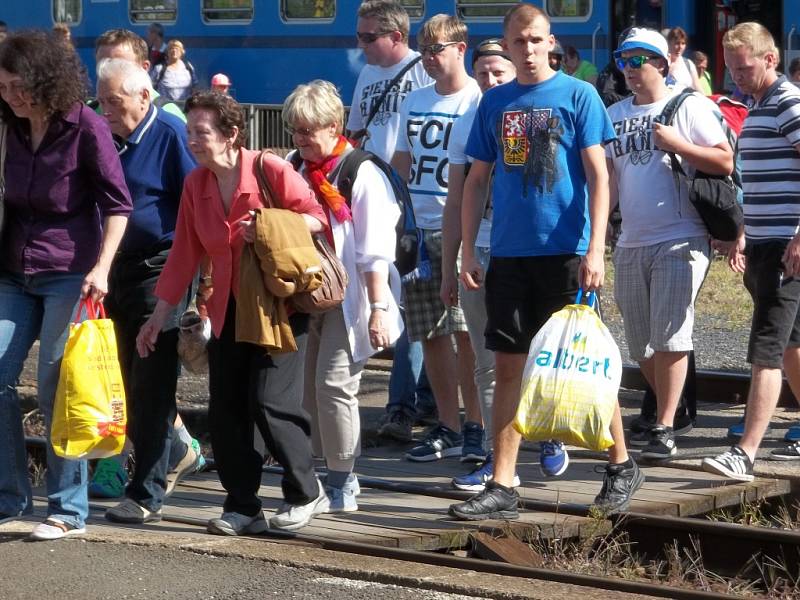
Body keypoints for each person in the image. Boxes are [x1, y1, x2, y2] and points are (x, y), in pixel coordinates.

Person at [448, 4, 643, 520]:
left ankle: (620, 463)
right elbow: (475, 181)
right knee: (508, 367)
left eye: (536, 40)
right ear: (506, 46)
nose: (528, 50)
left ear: (550, 41)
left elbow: (601, 177)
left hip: (566, 253)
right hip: (510, 254)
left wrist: (596, 247)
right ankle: (503, 482)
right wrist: (470, 248)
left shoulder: (579, 95)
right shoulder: (494, 104)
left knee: (582, 364)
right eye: (518, 42)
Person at [136, 91, 330, 533]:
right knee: (225, 412)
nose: (192, 141)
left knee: (270, 402)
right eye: (189, 133)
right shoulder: (197, 185)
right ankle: (243, 507)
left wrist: (269, 224)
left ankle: (306, 491)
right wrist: (157, 317)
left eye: (201, 133)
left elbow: (320, 217)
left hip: (279, 307)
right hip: (226, 310)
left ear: (231, 135)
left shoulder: (269, 169)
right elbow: (184, 254)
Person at [0, 30, 132, 539]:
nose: (10, 96)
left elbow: (118, 205)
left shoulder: (86, 127)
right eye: (3, 86)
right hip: (13, 268)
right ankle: (11, 497)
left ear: (44, 80)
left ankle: (68, 509)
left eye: (17, 86)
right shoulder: (7, 127)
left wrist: (101, 268)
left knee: (59, 386)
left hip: (69, 271)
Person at [605, 28, 733, 459]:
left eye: (638, 60)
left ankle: (664, 425)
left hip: (681, 237)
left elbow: (725, 159)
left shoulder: (689, 105)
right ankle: (670, 410)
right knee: (639, 342)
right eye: (623, 61)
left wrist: (679, 144)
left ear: (661, 63)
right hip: (631, 242)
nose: (629, 69)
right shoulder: (616, 113)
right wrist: (597, 232)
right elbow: (608, 181)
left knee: (671, 333)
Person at [284, 80, 403, 512]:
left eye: (308, 130)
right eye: (296, 130)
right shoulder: (295, 166)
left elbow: (375, 251)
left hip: (350, 294)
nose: (300, 139)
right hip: (305, 292)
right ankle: (315, 474)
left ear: (334, 126)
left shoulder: (361, 172)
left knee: (334, 385)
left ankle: (343, 480)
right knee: (304, 391)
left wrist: (378, 310)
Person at [94, 58, 200, 523]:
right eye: (101, 100)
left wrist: (194, 278)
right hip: (110, 270)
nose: (106, 109)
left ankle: (145, 494)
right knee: (119, 381)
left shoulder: (169, 137)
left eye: (114, 101)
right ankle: (176, 449)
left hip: (160, 267)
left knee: (152, 380)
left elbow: (195, 202)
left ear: (144, 96)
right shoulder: (102, 137)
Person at [703, 22, 800, 479]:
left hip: (785, 247)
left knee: (765, 346)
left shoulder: (786, 103)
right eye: (732, 69)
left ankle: (745, 453)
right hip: (764, 242)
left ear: (770, 60)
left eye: (744, 68)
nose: (737, 77)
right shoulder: (758, 106)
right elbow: (760, 184)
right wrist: (742, 232)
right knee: (790, 346)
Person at [391, 14, 484, 464]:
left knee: (466, 334)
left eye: (437, 49)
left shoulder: (478, 98)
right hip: (420, 227)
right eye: (424, 50)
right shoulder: (414, 101)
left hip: (462, 229)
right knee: (429, 331)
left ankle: (476, 424)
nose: (429, 59)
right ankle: (446, 423)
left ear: (461, 48)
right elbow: (402, 163)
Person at [346, 1, 435, 443]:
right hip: (373, 196)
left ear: (396, 37)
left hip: (414, 200)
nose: (359, 46)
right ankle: (412, 403)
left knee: (414, 300)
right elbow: (357, 134)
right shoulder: (367, 76)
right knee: (394, 295)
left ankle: (406, 407)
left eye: (367, 38)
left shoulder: (421, 71)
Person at [441, 38, 519, 492]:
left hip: (529, 253)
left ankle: (547, 437)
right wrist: (456, 257)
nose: (490, 81)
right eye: (484, 73)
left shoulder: (532, 113)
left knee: (536, 355)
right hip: (481, 252)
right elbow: (457, 200)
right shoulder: (468, 123)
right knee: (487, 360)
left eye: (498, 73)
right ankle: (495, 456)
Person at [95, 29, 185, 122]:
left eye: (120, 66)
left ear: (144, 68)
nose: (109, 72)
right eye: (102, 65)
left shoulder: (169, 115)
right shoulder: (89, 114)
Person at [666, 27, 702, 91]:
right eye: (677, 43)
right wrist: (669, 72)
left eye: (683, 43)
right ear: (669, 43)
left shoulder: (688, 64)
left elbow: (698, 88)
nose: (680, 47)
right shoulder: (662, 63)